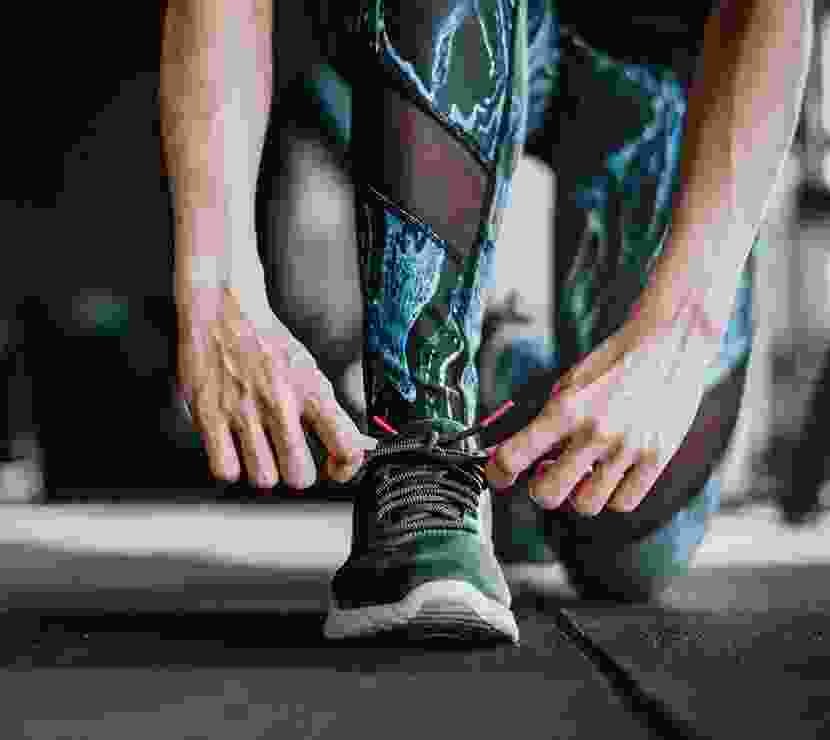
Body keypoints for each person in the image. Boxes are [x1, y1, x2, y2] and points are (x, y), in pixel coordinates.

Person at [159, 0, 812, 643]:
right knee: (316, 297)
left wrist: (679, 335)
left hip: (663, 70)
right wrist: (216, 284)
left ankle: (510, 379)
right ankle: (426, 448)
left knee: (632, 541)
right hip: (424, 39)